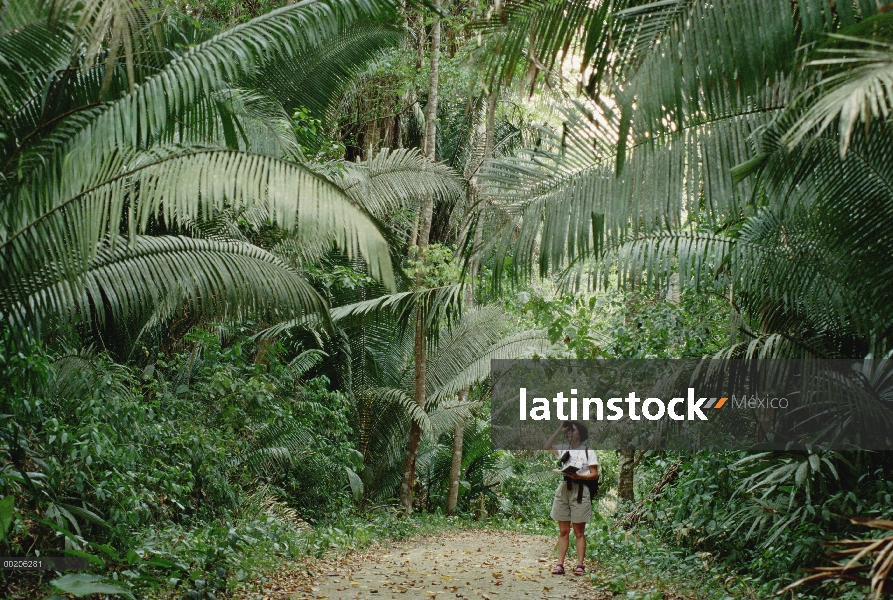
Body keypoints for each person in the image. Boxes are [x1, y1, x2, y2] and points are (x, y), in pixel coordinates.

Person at [544, 421, 599, 576]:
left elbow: (594, 473)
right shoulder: (563, 449)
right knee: (563, 530)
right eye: (567, 431)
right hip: (564, 489)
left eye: (572, 430)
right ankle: (559, 564)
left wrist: (579, 476)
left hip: (580, 490)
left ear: (579, 434)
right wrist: (559, 429)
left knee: (579, 531)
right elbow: (547, 446)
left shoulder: (588, 451)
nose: (569, 433)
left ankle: (580, 565)